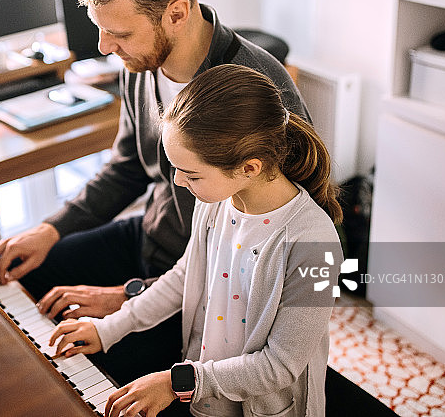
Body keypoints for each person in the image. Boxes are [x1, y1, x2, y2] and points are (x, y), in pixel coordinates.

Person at [0, 0, 309, 384]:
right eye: (100, 28)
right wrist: (50, 231)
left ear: (176, 12)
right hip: (151, 240)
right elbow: (126, 168)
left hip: (207, 286)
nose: (102, 46)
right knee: (27, 274)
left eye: (118, 33)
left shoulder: (257, 88)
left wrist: (131, 295)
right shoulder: (140, 63)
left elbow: (273, 254)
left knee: (71, 368)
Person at [49, 64, 343, 417]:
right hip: (207, 395)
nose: (177, 182)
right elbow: (182, 278)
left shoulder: (316, 244)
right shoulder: (216, 202)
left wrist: (178, 382)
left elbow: (280, 366)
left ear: (249, 168)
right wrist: (108, 328)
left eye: (191, 174)